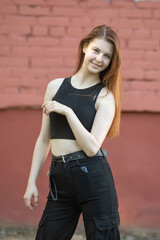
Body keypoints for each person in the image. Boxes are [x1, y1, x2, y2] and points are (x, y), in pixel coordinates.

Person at [24, 24, 122, 240]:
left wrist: (68, 112)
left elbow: (91, 147)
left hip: (93, 176)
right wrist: (31, 182)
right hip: (60, 175)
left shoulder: (105, 97)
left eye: (106, 56)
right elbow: (43, 139)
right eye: (96, 50)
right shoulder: (55, 87)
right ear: (85, 47)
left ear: (111, 61)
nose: (99, 59)